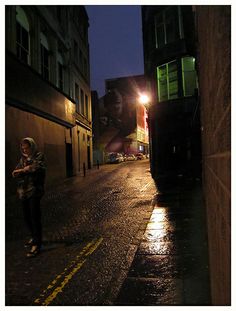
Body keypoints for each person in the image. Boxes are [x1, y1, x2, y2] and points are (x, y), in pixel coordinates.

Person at [12, 137, 46, 258]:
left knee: (34, 216)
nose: (25, 150)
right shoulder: (23, 159)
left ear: (32, 147)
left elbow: (35, 167)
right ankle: (34, 236)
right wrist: (20, 171)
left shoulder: (39, 155)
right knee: (26, 217)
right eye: (23, 148)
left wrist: (23, 170)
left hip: (34, 191)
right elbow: (15, 172)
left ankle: (37, 244)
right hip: (23, 192)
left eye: (27, 148)